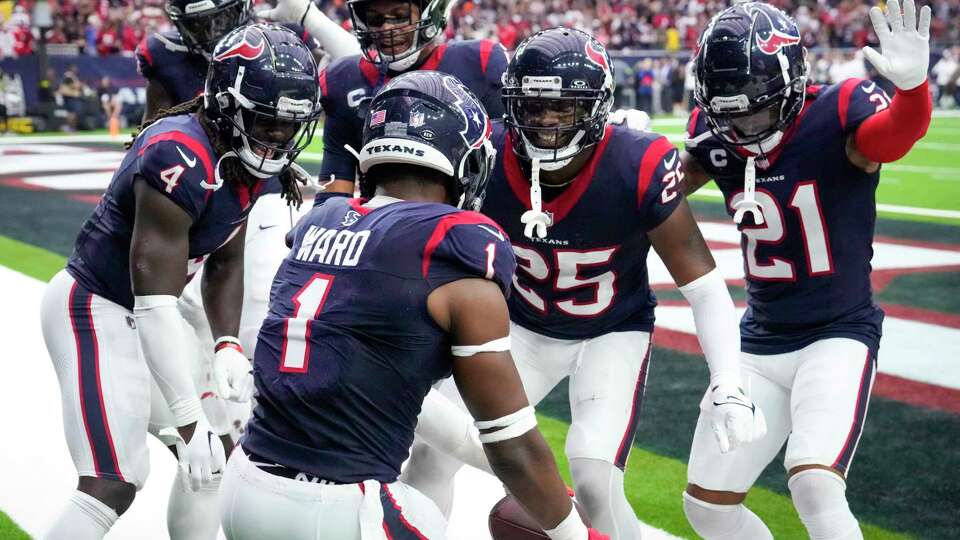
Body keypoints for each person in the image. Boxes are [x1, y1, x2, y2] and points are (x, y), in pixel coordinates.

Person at [401, 28, 766, 540]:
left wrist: (728, 381)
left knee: (594, 476)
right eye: (533, 106)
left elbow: (703, 284)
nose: (547, 122)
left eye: (564, 107)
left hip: (610, 331)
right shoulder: (487, 156)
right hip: (521, 325)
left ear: (595, 109)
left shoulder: (635, 162)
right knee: (430, 455)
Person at [219, 69, 608, 540]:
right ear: (466, 165)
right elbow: (512, 444)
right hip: (338, 508)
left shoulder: (318, 223)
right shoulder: (454, 251)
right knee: (423, 514)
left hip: (242, 486)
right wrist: (573, 532)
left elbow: (401, 398)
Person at [39, 24, 321, 540]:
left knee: (211, 463)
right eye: (267, 120)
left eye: (289, 123)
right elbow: (154, 303)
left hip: (140, 312)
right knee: (112, 482)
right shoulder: (179, 152)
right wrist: (189, 421)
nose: (278, 135)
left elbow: (226, 260)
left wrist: (228, 341)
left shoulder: (239, 147)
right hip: (97, 308)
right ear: (227, 104)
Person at [680, 2, 933, 539]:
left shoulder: (837, 110)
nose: (743, 128)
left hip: (837, 332)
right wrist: (623, 153)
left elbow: (889, 139)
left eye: (756, 111)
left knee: (815, 483)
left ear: (793, 83)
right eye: (730, 116)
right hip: (760, 339)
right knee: (706, 506)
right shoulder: (713, 137)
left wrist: (913, 92)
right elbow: (653, 196)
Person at [137, 0, 358, 122]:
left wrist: (310, 17)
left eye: (220, 20)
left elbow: (357, 70)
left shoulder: (278, 39)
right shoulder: (166, 56)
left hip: (270, 168)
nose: (211, 33)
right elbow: (148, 139)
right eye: (197, 25)